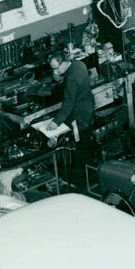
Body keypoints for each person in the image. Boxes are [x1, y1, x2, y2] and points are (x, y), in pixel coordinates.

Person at [47, 52, 95, 190]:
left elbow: (68, 103)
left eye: (56, 68)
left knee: (80, 146)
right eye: (52, 69)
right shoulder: (78, 64)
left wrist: (56, 122)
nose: (54, 71)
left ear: (63, 62)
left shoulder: (71, 79)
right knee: (86, 142)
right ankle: (88, 173)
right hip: (89, 108)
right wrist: (59, 76)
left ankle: (80, 182)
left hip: (79, 116)